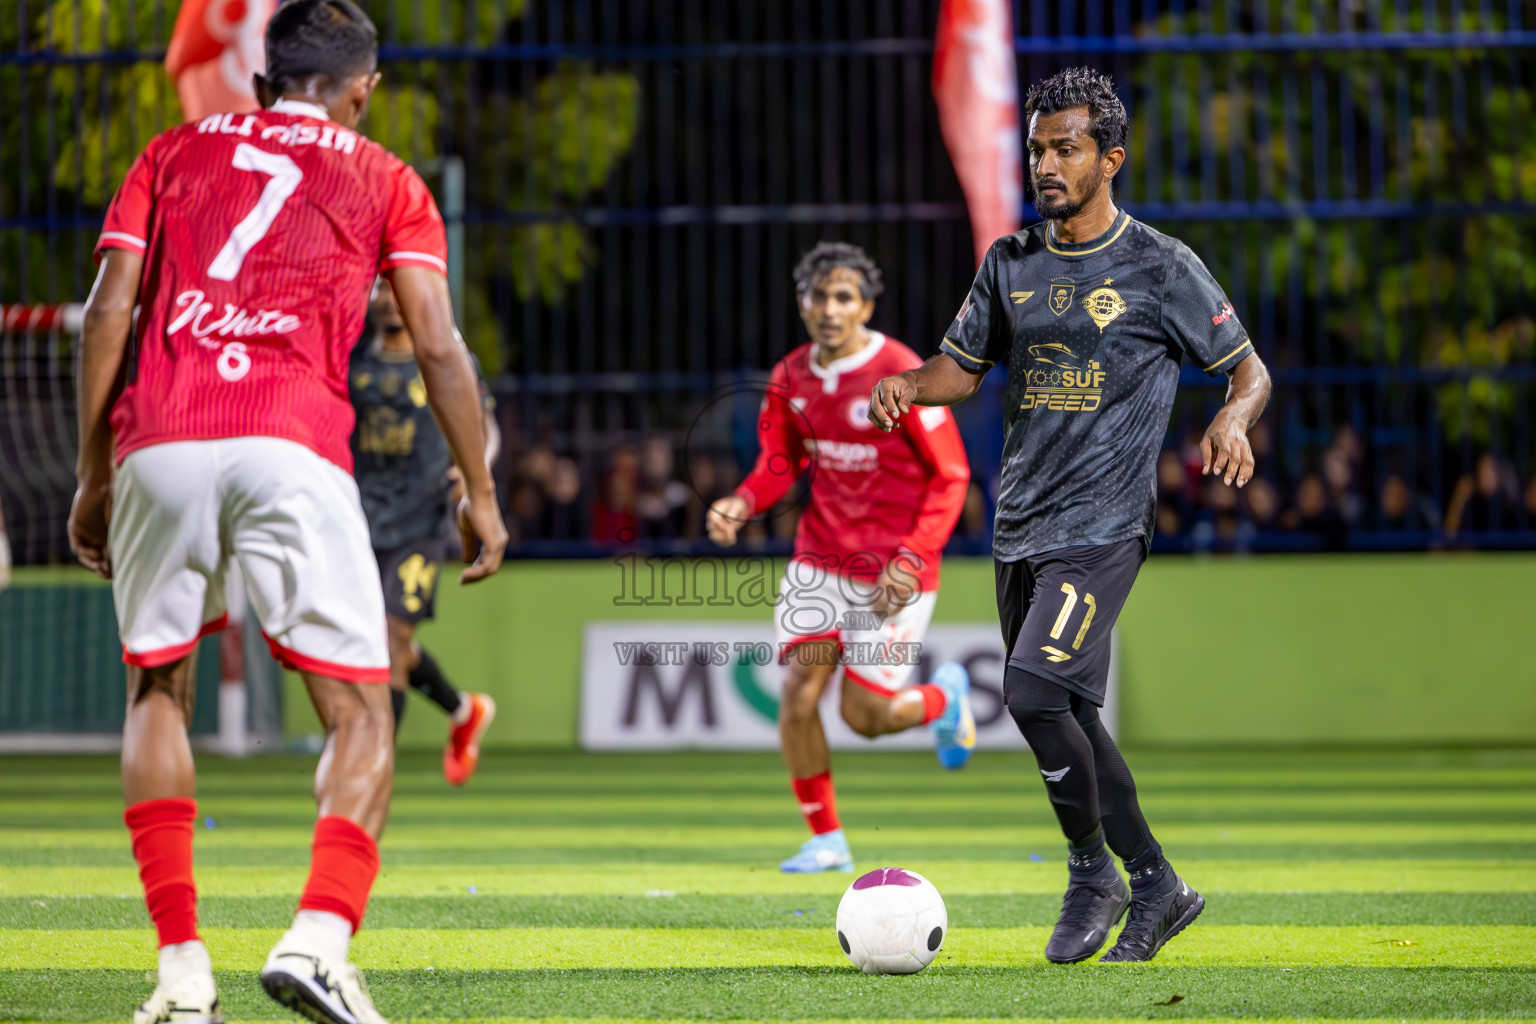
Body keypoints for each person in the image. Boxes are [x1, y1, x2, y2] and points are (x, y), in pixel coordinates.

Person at [65, 3, 508, 1022]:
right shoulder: (387, 176)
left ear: (263, 85)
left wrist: (96, 472)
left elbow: (108, 309)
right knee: (359, 711)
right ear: (365, 90)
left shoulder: (170, 151)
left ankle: (181, 974)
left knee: (156, 690)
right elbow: (439, 348)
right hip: (291, 441)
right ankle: (316, 938)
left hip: (162, 437)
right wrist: (479, 490)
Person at [869, 68, 1271, 963]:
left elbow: (1249, 370)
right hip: (1020, 525)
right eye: (1038, 148)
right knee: (1073, 717)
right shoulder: (1010, 263)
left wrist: (1233, 416)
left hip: (1104, 524)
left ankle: (1093, 873)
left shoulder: (1161, 266)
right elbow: (960, 370)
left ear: (1110, 158)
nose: (1045, 163)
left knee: (1034, 689)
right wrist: (905, 385)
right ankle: (1159, 886)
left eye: (1066, 149)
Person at [707, 242, 974, 874]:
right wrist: (743, 503)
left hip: (893, 573)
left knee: (866, 717)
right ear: (802, 303)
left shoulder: (901, 369)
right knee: (799, 691)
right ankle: (826, 837)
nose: (830, 309)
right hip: (820, 561)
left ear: (866, 306)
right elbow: (782, 462)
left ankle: (943, 700)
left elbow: (952, 474)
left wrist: (909, 558)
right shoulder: (791, 376)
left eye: (844, 297)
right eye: (819, 296)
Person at [351, 278, 499, 785]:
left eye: (397, 288)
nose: (390, 299)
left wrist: (476, 470)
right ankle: (462, 710)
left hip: (421, 520)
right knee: (377, 643)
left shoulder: (444, 354)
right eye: (380, 289)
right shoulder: (351, 359)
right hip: (358, 518)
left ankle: (371, 775)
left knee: (391, 641)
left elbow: (485, 427)